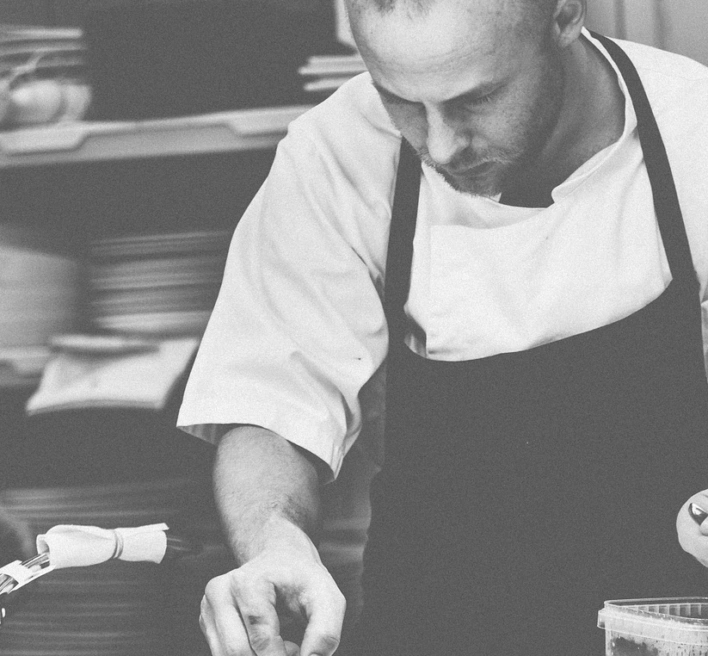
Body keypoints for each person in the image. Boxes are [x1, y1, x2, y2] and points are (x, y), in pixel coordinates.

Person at [177, 0, 708, 653]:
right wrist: (276, 545)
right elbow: (269, 406)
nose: (441, 145)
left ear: (564, 15)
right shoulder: (339, 155)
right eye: (399, 100)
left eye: (477, 99)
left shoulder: (696, 138)